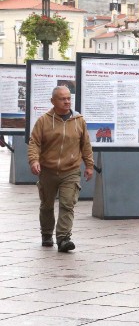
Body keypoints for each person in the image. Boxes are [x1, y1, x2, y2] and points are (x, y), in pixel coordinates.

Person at [28, 86, 94, 252]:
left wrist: (89, 165)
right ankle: (46, 234)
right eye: (62, 99)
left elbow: (85, 144)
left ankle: (63, 238)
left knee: (67, 204)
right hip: (48, 171)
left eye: (68, 98)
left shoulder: (79, 121)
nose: (66, 102)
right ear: (53, 101)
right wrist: (34, 160)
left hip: (70, 171)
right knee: (47, 205)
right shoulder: (43, 121)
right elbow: (34, 142)